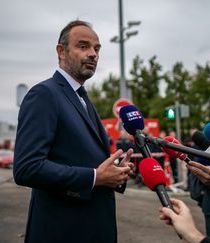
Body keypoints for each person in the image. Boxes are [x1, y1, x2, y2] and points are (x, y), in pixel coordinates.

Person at [13, 20, 134, 243]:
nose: (93, 54)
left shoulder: (84, 99)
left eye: (97, 48)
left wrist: (116, 173)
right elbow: (27, 168)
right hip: (62, 232)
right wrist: (95, 177)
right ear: (61, 51)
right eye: (83, 46)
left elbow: (85, 158)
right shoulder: (44, 94)